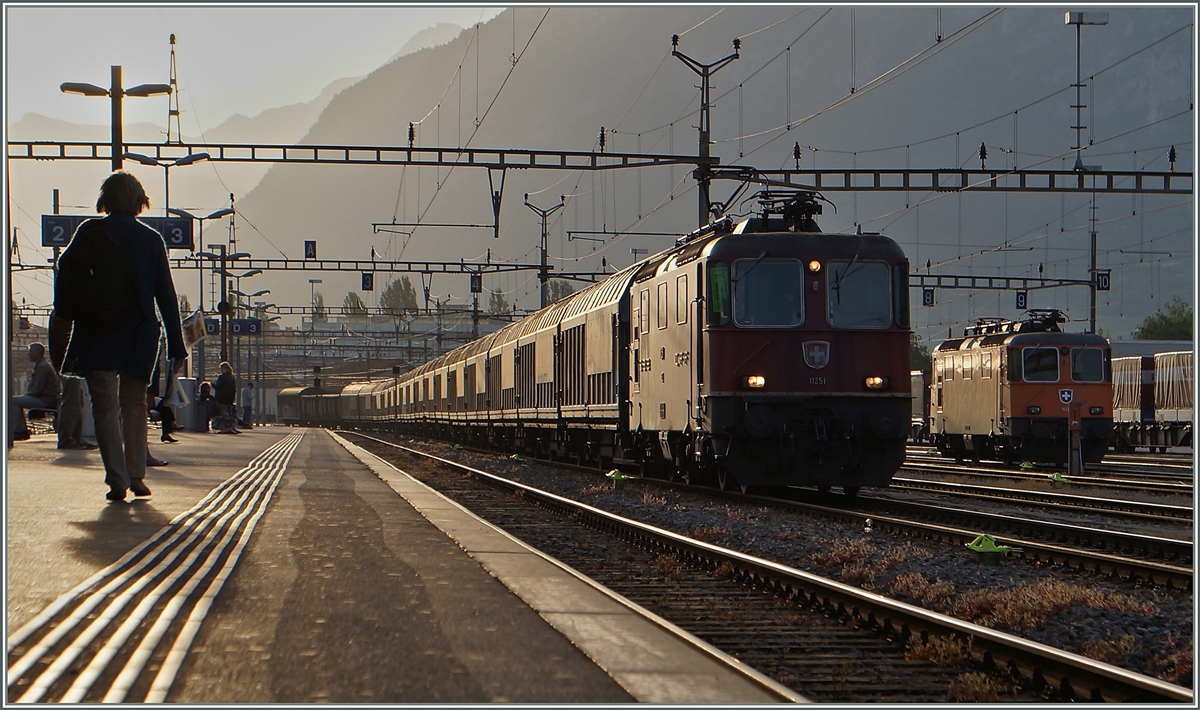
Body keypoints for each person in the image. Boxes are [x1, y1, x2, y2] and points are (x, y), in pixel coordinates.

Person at [57, 171, 187, 502]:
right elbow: (165, 294)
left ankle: (116, 479)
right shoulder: (150, 239)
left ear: (106, 198)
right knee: (133, 405)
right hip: (139, 333)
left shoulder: (90, 231)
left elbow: (65, 269)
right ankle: (137, 476)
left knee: (104, 407)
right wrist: (176, 343)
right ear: (138, 200)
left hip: (97, 330)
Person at [9, 343, 61, 446]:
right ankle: (20, 429)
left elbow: (37, 390)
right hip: (46, 399)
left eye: (30, 351)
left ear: (37, 353)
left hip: (44, 400)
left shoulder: (42, 367)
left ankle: (20, 431)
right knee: (16, 400)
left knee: (14, 401)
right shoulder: (42, 365)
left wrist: (27, 396)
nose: (28, 354)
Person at [56, 377, 96, 450]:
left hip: (72, 368)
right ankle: (66, 439)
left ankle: (76, 438)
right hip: (69, 368)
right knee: (72, 400)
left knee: (77, 400)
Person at [214, 361, 239, 434]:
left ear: (223, 368)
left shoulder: (222, 377)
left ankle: (226, 428)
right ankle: (231, 427)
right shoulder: (232, 377)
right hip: (230, 398)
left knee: (224, 414)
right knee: (230, 414)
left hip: (223, 398)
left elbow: (218, 387)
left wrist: (213, 385)